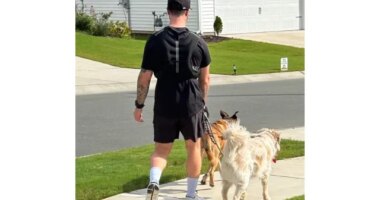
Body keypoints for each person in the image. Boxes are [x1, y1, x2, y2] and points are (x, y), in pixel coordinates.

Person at [133, 0, 211, 199]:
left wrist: (139, 105)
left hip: (164, 99)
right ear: (187, 12)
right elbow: (205, 79)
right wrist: (203, 104)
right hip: (191, 101)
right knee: (193, 147)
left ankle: (154, 181)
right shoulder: (198, 41)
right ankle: (191, 195)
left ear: (168, 12)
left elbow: (145, 77)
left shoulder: (155, 40)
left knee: (161, 150)